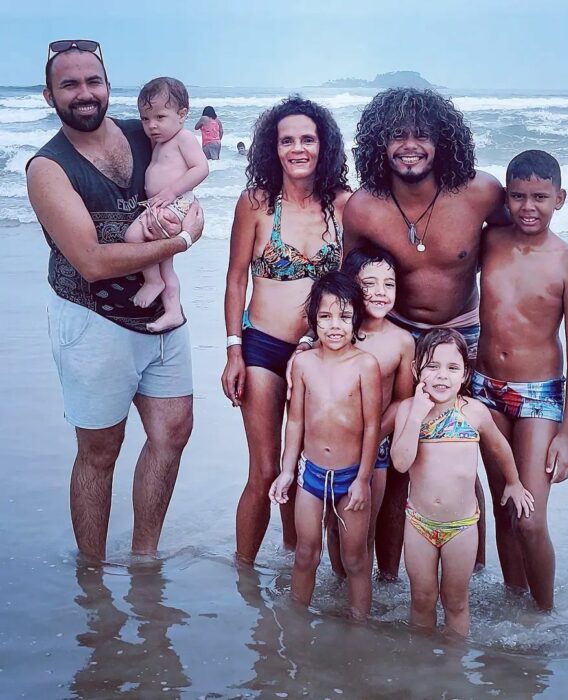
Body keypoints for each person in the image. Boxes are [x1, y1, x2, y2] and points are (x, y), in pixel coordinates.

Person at [343, 87, 568, 580]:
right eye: (398, 135)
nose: (410, 145)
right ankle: (391, 582)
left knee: (467, 459)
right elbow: (350, 277)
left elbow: (532, 231)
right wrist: (332, 337)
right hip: (400, 338)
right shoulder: (363, 208)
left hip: (466, 338)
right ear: (380, 142)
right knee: (398, 467)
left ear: (444, 141)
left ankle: (472, 574)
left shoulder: (479, 192)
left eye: (422, 134)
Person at [26, 40, 204, 562]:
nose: (85, 94)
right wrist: (182, 241)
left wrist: (192, 214)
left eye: (93, 82)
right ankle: (94, 572)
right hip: (91, 320)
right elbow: (93, 262)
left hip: (161, 317)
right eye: (70, 84)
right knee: (100, 452)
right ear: (49, 95)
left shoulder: (143, 131)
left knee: (172, 433)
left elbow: (188, 180)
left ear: (107, 86)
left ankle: (145, 558)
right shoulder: (48, 168)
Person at [221, 96, 351, 564]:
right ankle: (244, 576)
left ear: (324, 146)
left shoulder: (344, 206)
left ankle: (301, 562)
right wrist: (234, 349)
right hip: (261, 349)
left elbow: (365, 276)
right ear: (272, 148)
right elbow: (237, 277)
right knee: (264, 470)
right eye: (287, 140)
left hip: (323, 355)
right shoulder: (256, 204)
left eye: (308, 139)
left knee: (318, 467)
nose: (298, 148)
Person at [474, 150, 568, 610]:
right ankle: (513, 602)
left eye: (540, 197)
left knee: (530, 519)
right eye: (519, 196)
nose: (528, 207)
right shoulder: (491, 241)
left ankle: (545, 615)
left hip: (539, 396)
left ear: (559, 199)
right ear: (506, 198)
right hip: (485, 387)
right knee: (505, 508)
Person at [391, 329, 534, 636]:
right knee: (421, 599)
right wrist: (416, 414)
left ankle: (453, 671)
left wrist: (513, 482)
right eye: (432, 366)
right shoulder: (407, 411)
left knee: (455, 602)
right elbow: (401, 462)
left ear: (465, 374)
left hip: (462, 527)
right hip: (418, 524)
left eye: (452, 368)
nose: (442, 376)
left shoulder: (474, 413)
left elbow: (498, 447)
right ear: (417, 370)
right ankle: (422, 666)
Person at [269, 272, 381, 619]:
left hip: (351, 478)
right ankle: (296, 624)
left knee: (355, 559)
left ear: (356, 320)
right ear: (312, 320)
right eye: (326, 317)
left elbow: (372, 426)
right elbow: (297, 421)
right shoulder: (303, 364)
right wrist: (287, 472)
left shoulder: (365, 365)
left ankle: (359, 628)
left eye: (345, 317)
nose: (335, 326)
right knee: (306, 554)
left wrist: (363, 479)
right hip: (311, 476)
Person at [326, 245, 415, 578]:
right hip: (333, 443)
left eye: (389, 284)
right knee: (333, 526)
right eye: (370, 283)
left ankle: (359, 596)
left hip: (375, 448)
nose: (380, 292)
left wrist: (372, 434)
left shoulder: (401, 341)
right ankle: (338, 584)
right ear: (351, 286)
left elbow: (403, 401)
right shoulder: (338, 334)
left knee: (363, 527)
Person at [125, 77, 209, 333]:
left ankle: (152, 282)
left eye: (160, 117)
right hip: (160, 205)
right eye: (145, 119)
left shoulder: (183, 138)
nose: (151, 125)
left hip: (175, 203)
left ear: (182, 114)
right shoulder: (160, 141)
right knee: (165, 263)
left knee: (132, 236)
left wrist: (171, 191)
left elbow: (201, 168)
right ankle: (172, 312)